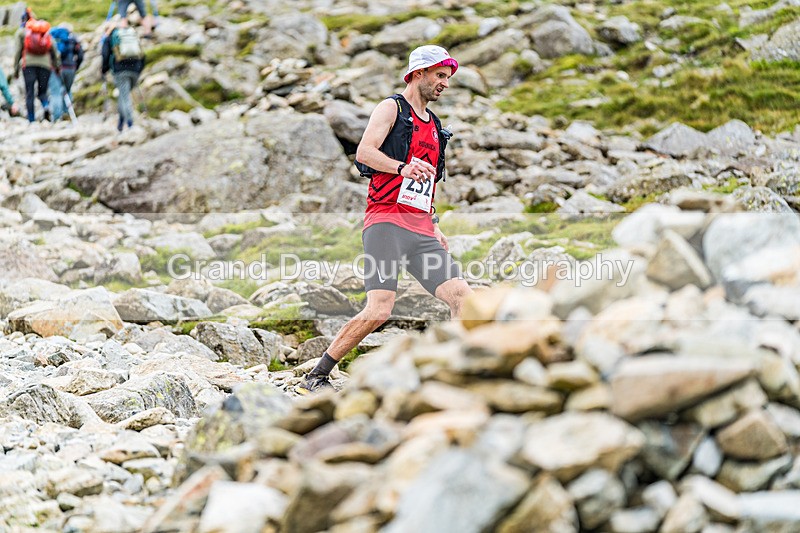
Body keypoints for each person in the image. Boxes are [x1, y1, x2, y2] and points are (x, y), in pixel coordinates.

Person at [297, 45, 473, 394]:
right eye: (440, 75)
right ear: (418, 73)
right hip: (386, 224)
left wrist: (434, 224)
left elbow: (428, 183)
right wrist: (402, 167)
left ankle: (454, 373)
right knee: (379, 309)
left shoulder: (435, 126)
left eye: (448, 78)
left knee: (463, 298)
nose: (445, 84)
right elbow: (364, 153)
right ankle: (316, 376)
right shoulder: (391, 108)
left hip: (422, 232)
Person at [13, 15, 60, 123]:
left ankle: (31, 119)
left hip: (29, 65)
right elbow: (54, 50)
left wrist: (15, 69)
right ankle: (46, 106)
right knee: (42, 92)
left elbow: (18, 51)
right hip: (45, 65)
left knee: (29, 92)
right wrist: (57, 66)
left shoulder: (24, 32)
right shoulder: (45, 33)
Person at [101, 17, 145, 132]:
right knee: (123, 95)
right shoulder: (131, 34)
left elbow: (105, 54)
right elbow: (142, 54)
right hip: (135, 69)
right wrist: (139, 69)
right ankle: (120, 124)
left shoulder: (110, 36)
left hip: (120, 70)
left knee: (124, 96)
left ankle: (130, 124)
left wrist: (104, 70)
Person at [49, 23, 84, 121]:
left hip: (56, 68)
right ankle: (67, 114)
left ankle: (57, 117)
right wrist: (76, 66)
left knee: (56, 92)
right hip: (70, 68)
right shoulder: (73, 39)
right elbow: (80, 55)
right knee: (67, 90)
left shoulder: (54, 37)